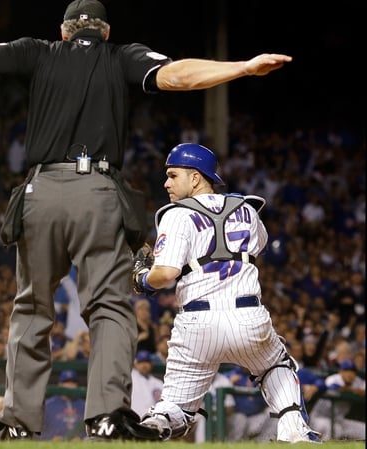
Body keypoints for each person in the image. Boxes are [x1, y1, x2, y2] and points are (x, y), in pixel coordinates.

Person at [0, 0, 292, 440]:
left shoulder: (38, 50)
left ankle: (18, 423)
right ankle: (107, 415)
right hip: (97, 191)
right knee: (109, 307)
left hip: (41, 190)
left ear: (64, 30)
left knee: (31, 308)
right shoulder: (121, 55)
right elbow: (177, 75)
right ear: (106, 32)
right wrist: (242, 67)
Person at [133, 143, 320, 443]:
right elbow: (256, 248)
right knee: (275, 366)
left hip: (197, 322)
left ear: (195, 178)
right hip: (248, 316)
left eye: (173, 175)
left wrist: (143, 279)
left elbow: (165, 274)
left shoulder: (177, 215)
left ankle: (156, 425)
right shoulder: (246, 208)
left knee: (176, 406)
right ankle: (294, 430)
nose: (166, 183)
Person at [309, 359, 366, 440]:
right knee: (336, 429)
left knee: (363, 430)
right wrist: (353, 390)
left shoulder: (357, 382)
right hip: (318, 418)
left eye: (353, 371)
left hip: (339, 420)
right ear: (341, 371)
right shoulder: (333, 379)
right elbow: (332, 387)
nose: (350, 374)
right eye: (347, 370)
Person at [42, 369, 86, 440]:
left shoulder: (84, 406)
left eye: (73, 382)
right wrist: (50, 438)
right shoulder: (48, 405)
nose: (70, 385)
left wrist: (82, 438)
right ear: (60, 384)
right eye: (66, 382)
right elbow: (40, 431)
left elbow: (89, 431)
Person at [130, 350, 163, 418]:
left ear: (151, 364)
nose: (144, 365)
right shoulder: (130, 378)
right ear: (135, 364)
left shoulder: (159, 383)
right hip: (134, 420)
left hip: (152, 421)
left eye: (146, 362)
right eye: (141, 362)